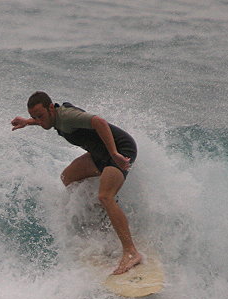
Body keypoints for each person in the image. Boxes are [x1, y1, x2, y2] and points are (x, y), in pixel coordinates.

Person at [11, 91, 143, 275]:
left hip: (121, 150)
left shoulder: (66, 116)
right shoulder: (55, 118)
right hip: (99, 154)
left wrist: (114, 154)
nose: (39, 121)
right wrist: (27, 122)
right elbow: (46, 121)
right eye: (35, 117)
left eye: (39, 116)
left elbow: (99, 122)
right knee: (68, 178)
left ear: (51, 108)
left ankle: (131, 252)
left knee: (105, 196)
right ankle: (104, 220)